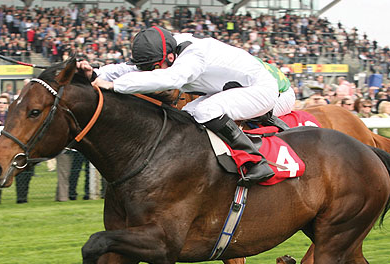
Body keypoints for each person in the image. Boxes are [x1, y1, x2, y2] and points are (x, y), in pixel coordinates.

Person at [78, 26, 291, 186]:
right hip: (228, 89)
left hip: (261, 89)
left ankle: (256, 162)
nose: (150, 72)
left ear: (170, 57)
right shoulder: (164, 49)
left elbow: (172, 78)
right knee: (186, 115)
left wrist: (114, 86)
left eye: (154, 68)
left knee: (205, 110)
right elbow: (127, 68)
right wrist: (96, 74)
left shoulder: (194, 55)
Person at [0, 95, 34, 203]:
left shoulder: (14, 116)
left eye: (3, 103)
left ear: (7, 105)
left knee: (21, 174)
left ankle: (22, 199)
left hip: (13, 150)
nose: (1, 105)